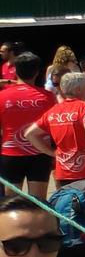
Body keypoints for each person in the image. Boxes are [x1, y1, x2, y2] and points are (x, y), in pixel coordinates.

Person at [0, 55, 56, 204]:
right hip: (40, 153)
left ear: (15, 71)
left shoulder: (2, 96)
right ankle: (38, 227)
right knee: (38, 203)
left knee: (10, 203)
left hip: (10, 154)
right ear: (37, 72)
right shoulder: (48, 97)